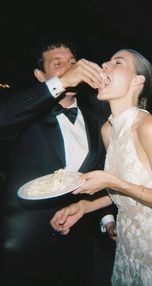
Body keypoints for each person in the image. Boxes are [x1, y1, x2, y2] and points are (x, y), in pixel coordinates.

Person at [51, 49, 152, 285]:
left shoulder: (150, 127)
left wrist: (112, 181)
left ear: (138, 81)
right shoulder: (108, 130)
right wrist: (84, 207)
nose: (105, 65)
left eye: (117, 62)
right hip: (127, 239)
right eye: (106, 60)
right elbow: (126, 188)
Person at [0, 36, 116, 286]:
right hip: (25, 239)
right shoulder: (25, 116)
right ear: (40, 76)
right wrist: (62, 82)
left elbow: (100, 172)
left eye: (72, 61)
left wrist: (107, 218)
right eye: (58, 64)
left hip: (78, 238)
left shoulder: (97, 121)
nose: (70, 67)